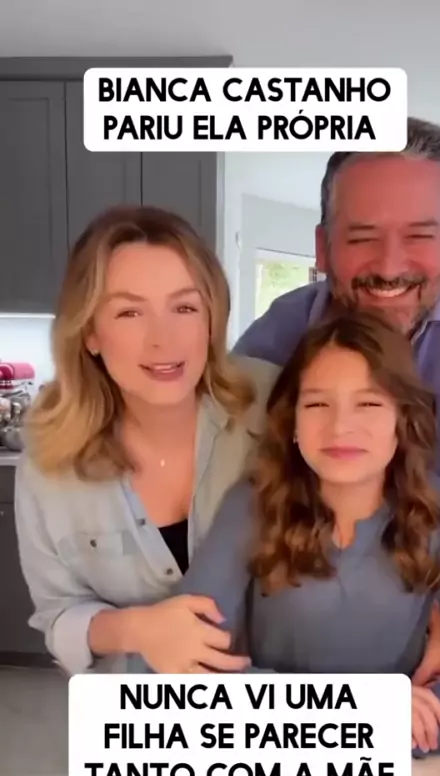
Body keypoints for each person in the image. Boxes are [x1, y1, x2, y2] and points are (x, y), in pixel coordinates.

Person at [233, 116, 440, 776]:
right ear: (322, 247)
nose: (390, 264)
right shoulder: (276, 339)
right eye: (362, 235)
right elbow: (228, 496)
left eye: (421, 234)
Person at [174, 309, 440, 758]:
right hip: (272, 762)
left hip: (398, 769)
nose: (340, 427)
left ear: (404, 418)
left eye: (369, 404)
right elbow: (189, 663)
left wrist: (403, 725)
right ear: (292, 420)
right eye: (317, 404)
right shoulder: (254, 503)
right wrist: (356, 716)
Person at [14, 204, 279, 676]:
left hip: (287, 709)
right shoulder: (48, 461)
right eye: (130, 312)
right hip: (138, 713)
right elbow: (58, 615)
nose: (163, 339)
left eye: (184, 307)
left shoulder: (276, 405)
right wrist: (136, 629)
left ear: (211, 319)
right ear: (91, 333)